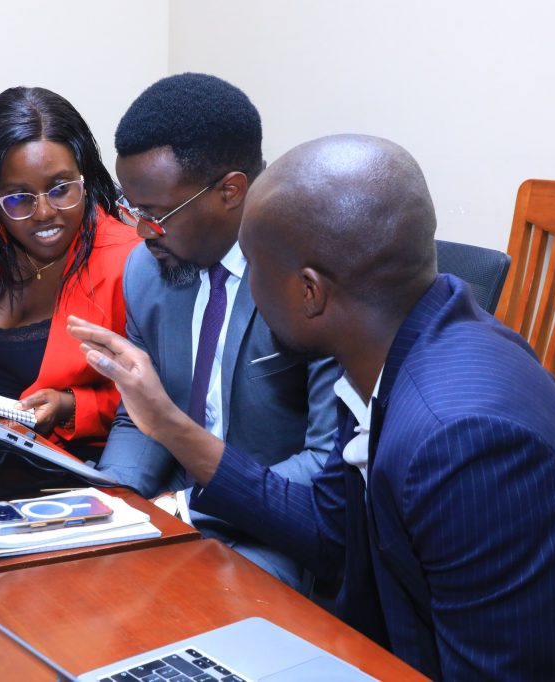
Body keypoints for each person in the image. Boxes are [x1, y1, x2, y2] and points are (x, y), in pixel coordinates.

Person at [68, 134, 555, 679]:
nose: (244, 285)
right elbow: (331, 532)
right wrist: (167, 424)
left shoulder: (463, 441)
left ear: (310, 292)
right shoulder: (392, 345)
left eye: (252, 266)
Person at [98, 73, 339, 589]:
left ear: (230, 191)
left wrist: (188, 507)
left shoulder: (309, 284)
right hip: (169, 509)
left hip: (276, 533)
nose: (141, 232)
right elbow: (139, 418)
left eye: (157, 215)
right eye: (132, 209)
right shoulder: (146, 271)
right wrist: (111, 504)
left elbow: (326, 466)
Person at [0, 86, 140, 448]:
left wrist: (71, 406)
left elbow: (154, 394)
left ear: (84, 179)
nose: (45, 212)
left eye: (61, 188)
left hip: (63, 461)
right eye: (19, 197)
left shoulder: (127, 261)